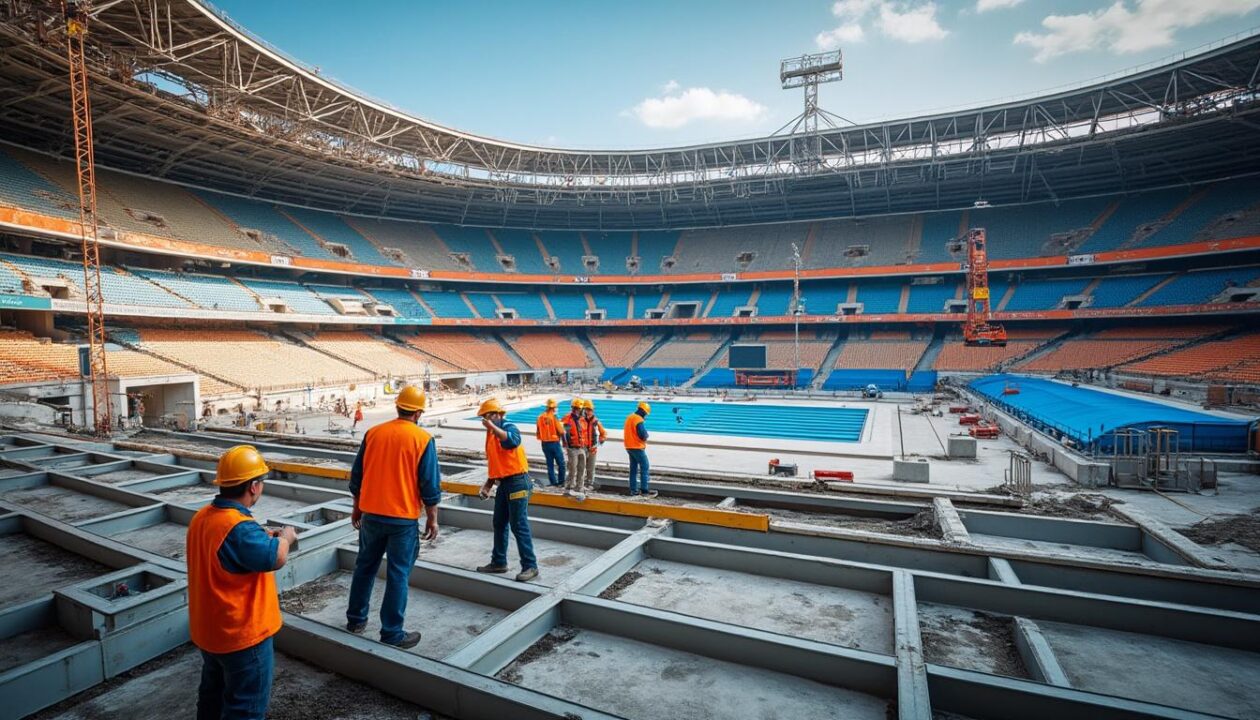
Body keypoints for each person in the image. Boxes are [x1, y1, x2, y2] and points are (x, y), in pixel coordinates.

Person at [187, 445, 297, 719]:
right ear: (254, 487)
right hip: (242, 637)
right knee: (245, 709)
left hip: (210, 632)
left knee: (211, 699)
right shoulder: (238, 529)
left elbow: (231, 546)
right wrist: (286, 537)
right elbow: (276, 557)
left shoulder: (203, 517)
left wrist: (259, 533)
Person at [344, 385, 440, 649]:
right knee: (398, 574)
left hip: (371, 515)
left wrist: (357, 507)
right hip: (401, 520)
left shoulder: (374, 433)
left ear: (398, 406)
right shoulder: (422, 439)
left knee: (364, 567)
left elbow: (357, 477)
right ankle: (392, 633)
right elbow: (429, 485)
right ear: (418, 412)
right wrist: (432, 518)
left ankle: (356, 620)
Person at [474, 398, 539, 582]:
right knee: (499, 522)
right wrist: (488, 485)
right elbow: (497, 463)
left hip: (518, 482)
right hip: (504, 484)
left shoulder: (508, 426)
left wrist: (493, 428)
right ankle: (499, 562)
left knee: (518, 524)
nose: (484, 422)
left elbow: (513, 441)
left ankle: (530, 566)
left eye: (486, 417)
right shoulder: (491, 436)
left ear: (496, 415)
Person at [623, 402, 657, 498]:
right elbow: (642, 434)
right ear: (643, 411)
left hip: (629, 446)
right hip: (637, 447)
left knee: (633, 469)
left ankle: (633, 490)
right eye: (645, 413)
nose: (645, 415)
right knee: (645, 467)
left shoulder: (629, 417)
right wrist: (646, 436)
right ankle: (644, 490)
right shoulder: (638, 419)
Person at [560, 398, 588, 501]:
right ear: (577, 408)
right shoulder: (567, 418)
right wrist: (566, 444)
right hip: (572, 448)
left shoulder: (581, 419)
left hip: (581, 447)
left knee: (582, 467)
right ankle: (569, 487)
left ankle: (579, 486)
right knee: (573, 468)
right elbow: (563, 432)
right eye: (581, 408)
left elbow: (583, 432)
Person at [535, 398, 566, 488]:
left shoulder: (540, 417)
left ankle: (553, 482)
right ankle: (561, 482)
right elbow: (561, 431)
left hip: (544, 444)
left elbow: (538, 430)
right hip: (554, 443)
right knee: (561, 463)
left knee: (550, 464)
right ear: (553, 408)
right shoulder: (554, 417)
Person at [582, 399, 606, 492]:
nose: (589, 412)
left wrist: (599, 443)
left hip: (592, 448)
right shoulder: (580, 421)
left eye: (590, 410)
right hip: (582, 448)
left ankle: (589, 484)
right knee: (581, 467)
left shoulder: (596, 422)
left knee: (590, 467)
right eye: (587, 409)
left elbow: (603, 433)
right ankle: (581, 483)